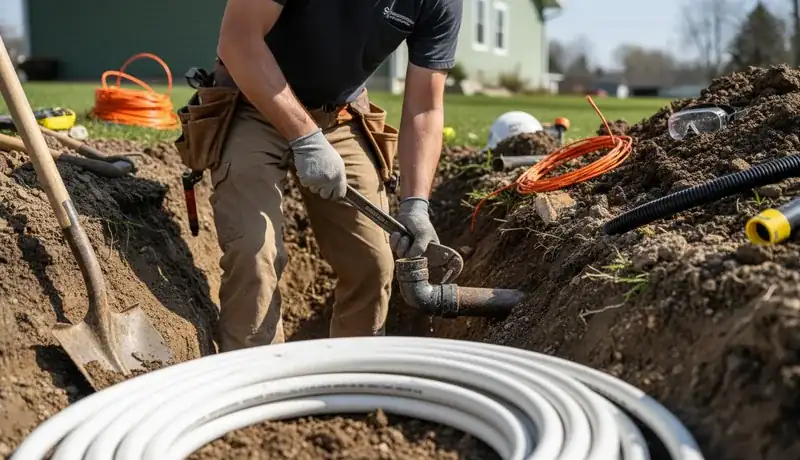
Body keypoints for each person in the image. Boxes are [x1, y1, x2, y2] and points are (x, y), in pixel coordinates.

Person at [210, 0, 463, 351]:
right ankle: (257, 387)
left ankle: (350, 391)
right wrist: (304, 137)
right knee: (255, 250)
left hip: (337, 115)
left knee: (373, 264)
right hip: (250, 101)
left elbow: (425, 105)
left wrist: (416, 203)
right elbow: (238, 40)